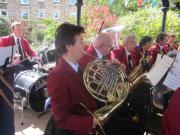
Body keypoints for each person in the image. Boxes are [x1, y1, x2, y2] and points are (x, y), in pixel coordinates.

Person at [47, 23, 98, 135]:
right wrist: (91, 122)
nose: (84, 46)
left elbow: (91, 93)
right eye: (81, 41)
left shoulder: (80, 66)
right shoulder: (57, 75)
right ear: (68, 46)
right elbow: (62, 119)